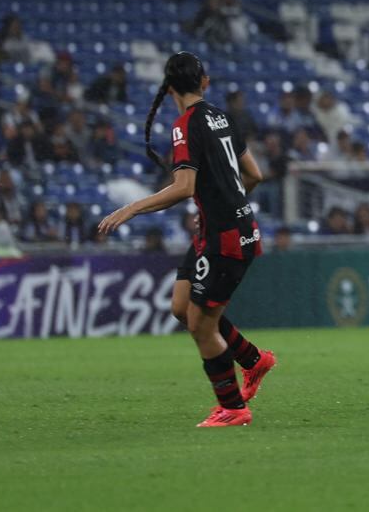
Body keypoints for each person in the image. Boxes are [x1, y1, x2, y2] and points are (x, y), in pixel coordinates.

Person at [97, 52, 275, 428]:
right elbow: (255, 174)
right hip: (223, 229)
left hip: (224, 236)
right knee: (182, 306)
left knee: (201, 326)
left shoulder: (185, 125)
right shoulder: (222, 116)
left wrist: (131, 208)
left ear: (169, 88)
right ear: (205, 82)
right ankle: (254, 360)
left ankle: (233, 408)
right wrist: (225, 202)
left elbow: (183, 187)